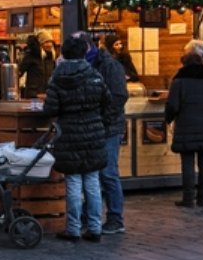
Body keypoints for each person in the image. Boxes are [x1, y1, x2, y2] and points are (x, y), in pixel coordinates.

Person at [43, 35, 115, 243]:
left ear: (63, 53)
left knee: (73, 181)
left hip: (68, 134)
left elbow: (50, 109)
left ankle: (73, 228)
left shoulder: (57, 78)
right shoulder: (94, 75)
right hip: (93, 133)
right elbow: (107, 103)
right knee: (92, 181)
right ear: (84, 52)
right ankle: (94, 227)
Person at [163, 40, 203, 208]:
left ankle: (188, 198)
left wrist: (168, 118)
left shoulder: (179, 81)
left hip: (186, 126)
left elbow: (173, 106)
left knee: (188, 164)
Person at [86, 34, 128, 233]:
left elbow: (119, 96)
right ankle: (91, 216)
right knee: (93, 172)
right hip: (96, 125)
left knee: (108, 172)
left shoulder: (110, 66)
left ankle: (115, 218)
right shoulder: (87, 64)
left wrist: (104, 119)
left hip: (108, 127)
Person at [18, 32, 56, 99]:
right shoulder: (31, 56)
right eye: (46, 42)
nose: (49, 45)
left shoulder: (51, 58)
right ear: (40, 44)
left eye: (51, 42)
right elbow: (19, 72)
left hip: (47, 96)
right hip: (33, 96)